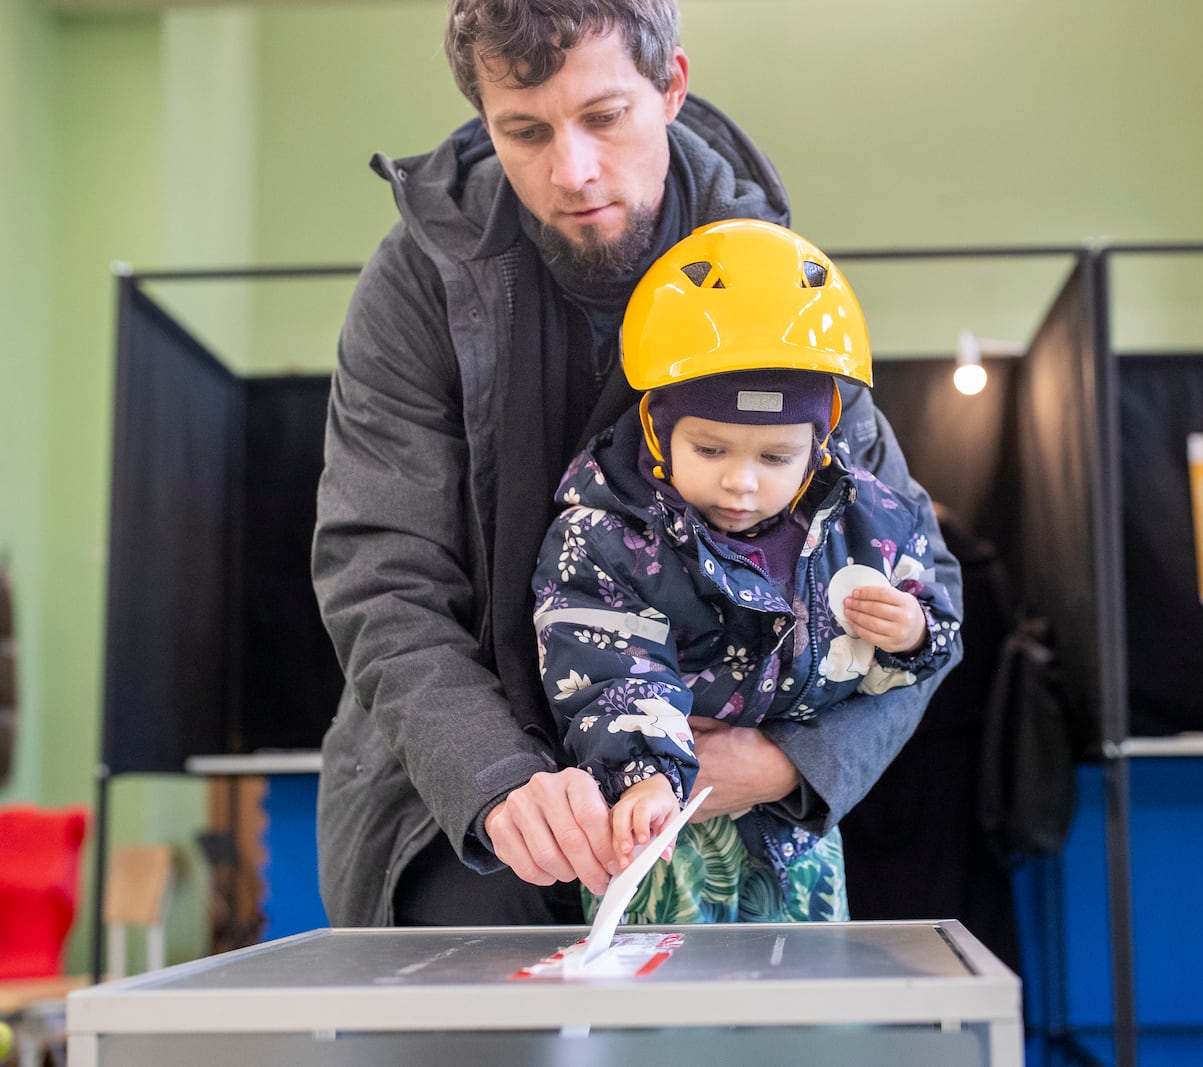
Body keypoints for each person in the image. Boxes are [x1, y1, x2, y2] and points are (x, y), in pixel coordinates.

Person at [311, 0, 963, 928]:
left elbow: (924, 584)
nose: (571, 170)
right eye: (523, 132)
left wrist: (788, 763)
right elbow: (382, 582)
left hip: (720, 819)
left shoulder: (777, 285)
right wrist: (496, 778)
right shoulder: (416, 283)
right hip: (456, 809)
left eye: (605, 116)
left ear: (671, 87)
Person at [533, 219, 962, 923]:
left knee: (799, 1016)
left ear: (821, 444)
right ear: (655, 429)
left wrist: (914, 633)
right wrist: (642, 771)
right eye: (710, 449)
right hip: (656, 830)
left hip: (796, 837)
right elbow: (606, 664)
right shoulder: (607, 534)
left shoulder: (863, 525)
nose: (742, 483)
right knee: (660, 1020)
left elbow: (928, 627)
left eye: (774, 458)